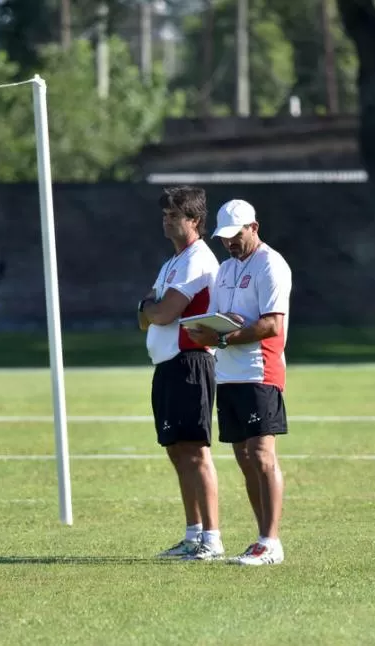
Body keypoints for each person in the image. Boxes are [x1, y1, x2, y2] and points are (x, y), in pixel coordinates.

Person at [185, 198, 292, 566]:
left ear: (254, 228)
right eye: (224, 236)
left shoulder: (270, 264)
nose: (230, 242)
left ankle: (271, 541)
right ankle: (261, 539)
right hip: (228, 373)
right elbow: (222, 317)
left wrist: (223, 337)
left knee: (263, 456)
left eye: (236, 234)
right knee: (245, 458)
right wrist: (209, 329)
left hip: (259, 371)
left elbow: (271, 324)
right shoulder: (226, 270)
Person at [138, 185, 224, 561]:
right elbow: (147, 319)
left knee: (195, 452)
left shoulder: (196, 259)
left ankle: (212, 537)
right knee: (176, 450)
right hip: (168, 365)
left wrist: (148, 305)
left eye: (175, 214)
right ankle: (192, 535)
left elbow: (162, 312)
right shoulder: (172, 261)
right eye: (164, 214)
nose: (167, 220)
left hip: (190, 363)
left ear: (195, 220)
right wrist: (149, 308)